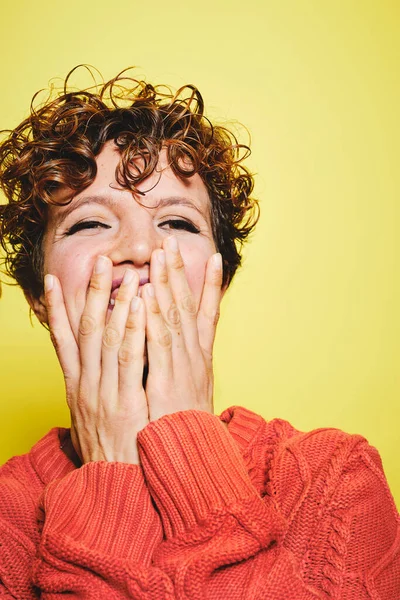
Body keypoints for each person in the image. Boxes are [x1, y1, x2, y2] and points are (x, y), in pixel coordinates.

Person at [0, 67, 399, 600]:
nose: (140, 248)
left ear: (220, 281)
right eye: (89, 223)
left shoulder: (334, 480)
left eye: (179, 223)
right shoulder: (9, 519)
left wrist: (191, 453)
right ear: (38, 296)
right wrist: (109, 475)